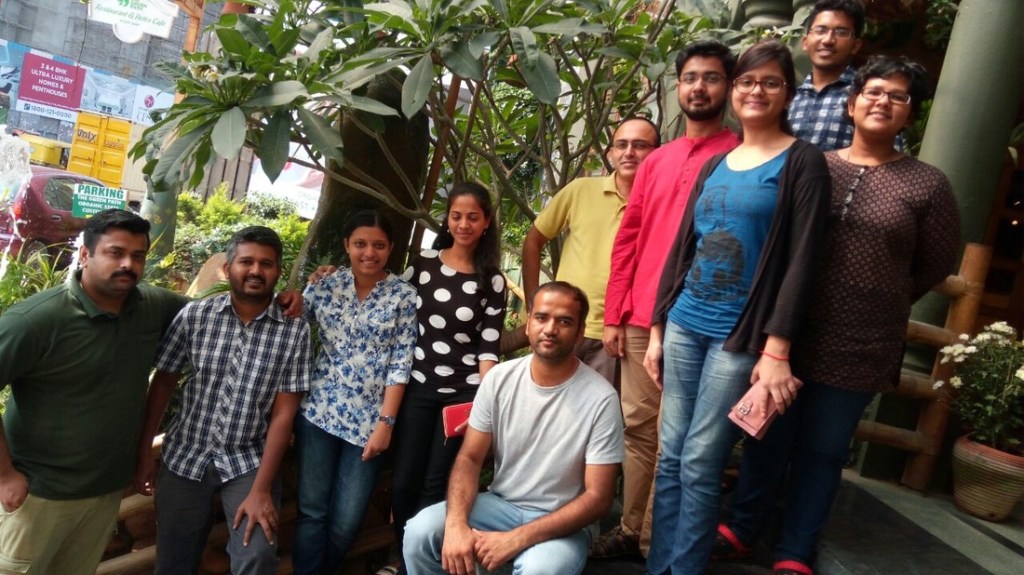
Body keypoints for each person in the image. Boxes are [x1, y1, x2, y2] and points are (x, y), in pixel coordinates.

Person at [714, 55, 960, 575]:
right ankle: (741, 527)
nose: (882, 102)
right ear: (851, 104)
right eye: (873, 92)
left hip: (861, 344)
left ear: (910, 115)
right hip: (789, 333)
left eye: (897, 96)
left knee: (823, 451)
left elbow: (937, 263)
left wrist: (883, 294)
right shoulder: (814, 164)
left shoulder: (926, 184)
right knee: (766, 435)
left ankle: (796, 550)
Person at [644, 40, 831, 574]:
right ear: (735, 91)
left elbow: (802, 261)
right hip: (684, 325)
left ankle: (684, 569)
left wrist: (777, 348)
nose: (756, 91)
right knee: (671, 457)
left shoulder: (803, 163)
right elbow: (685, 246)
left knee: (702, 461)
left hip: (738, 338)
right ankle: (661, 567)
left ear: (787, 93)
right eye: (748, 81)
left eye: (770, 82)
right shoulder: (718, 162)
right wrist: (658, 328)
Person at [596, 39, 740, 559]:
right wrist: (615, 314)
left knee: (689, 441)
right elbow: (629, 236)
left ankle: (663, 540)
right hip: (639, 317)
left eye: (712, 77)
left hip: (706, 320)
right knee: (640, 431)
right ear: (678, 86)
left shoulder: (738, 157)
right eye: (690, 77)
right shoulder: (657, 161)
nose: (699, 87)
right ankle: (633, 531)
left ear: (729, 87)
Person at [0, 209, 188, 574]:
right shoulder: (35, 321)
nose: (128, 265)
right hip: (38, 495)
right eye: (115, 253)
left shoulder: (152, 306)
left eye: (138, 256)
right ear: (85, 255)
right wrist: (5, 474)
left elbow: (222, 313)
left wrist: (286, 301)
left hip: (103, 494)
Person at [403, 282, 624, 575]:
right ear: (528, 323)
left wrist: (516, 539)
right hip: (500, 505)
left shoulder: (601, 399)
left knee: (539, 570)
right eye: (542, 317)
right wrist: (456, 525)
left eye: (565, 321)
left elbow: (599, 498)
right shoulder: (499, 379)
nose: (550, 329)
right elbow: (469, 458)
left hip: (563, 521)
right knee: (420, 532)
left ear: (580, 332)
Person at [133, 226, 312, 575]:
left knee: (257, 555)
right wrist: (143, 456)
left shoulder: (294, 331)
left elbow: (283, 414)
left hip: (248, 462)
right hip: (186, 454)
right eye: (246, 261)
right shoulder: (195, 316)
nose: (256, 271)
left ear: (278, 271)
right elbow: (162, 385)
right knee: (173, 560)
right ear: (227, 268)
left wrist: (261, 490)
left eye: (266, 264)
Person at [389, 182, 507, 573]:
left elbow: (488, 347)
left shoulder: (492, 280)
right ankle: (400, 552)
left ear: (486, 221)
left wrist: (485, 404)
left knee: (436, 483)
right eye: (456, 216)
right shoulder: (422, 263)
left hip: (461, 397)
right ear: (448, 219)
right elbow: (387, 303)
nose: (463, 224)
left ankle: (417, 564)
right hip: (416, 387)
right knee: (404, 478)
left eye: (473, 217)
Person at [292, 211, 417, 574]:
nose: (369, 253)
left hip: (369, 424)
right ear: (347, 245)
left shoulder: (403, 296)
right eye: (360, 244)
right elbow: (293, 325)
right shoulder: (325, 286)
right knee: (311, 511)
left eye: (378, 245)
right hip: (317, 413)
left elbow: (400, 363)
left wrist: (387, 422)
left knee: (346, 519)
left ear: (391, 248)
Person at [522, 116, 661, 387]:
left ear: (658, 152)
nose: (629, 152)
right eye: (621, 145)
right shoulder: (581, 190)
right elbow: (533, 241)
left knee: (597, 417)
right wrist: (533, 304)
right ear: (611, 153)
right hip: (564, 326)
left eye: (640, 145)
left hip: (619, 333)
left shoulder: (660, 203)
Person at [789, 0, 865, 150]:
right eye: (820, 30)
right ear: (805, 42)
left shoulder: (865, 96)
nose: (828, 40)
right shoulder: (789, 98)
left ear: (855, 45)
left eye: (841, 32)